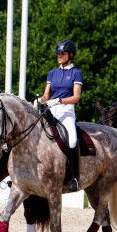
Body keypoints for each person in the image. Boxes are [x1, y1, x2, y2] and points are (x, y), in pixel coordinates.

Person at [37, 39, 83, 191]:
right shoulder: (53, 73)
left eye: (62, 53)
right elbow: (46, 95)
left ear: (70, 55)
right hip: (51, 110)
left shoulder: (76, 73)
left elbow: (76, 97)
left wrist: (59, 100)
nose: (59, 56)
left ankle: (75, 177)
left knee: (72, 140)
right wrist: (41, 100)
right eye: (58, 53)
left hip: (67, 112)